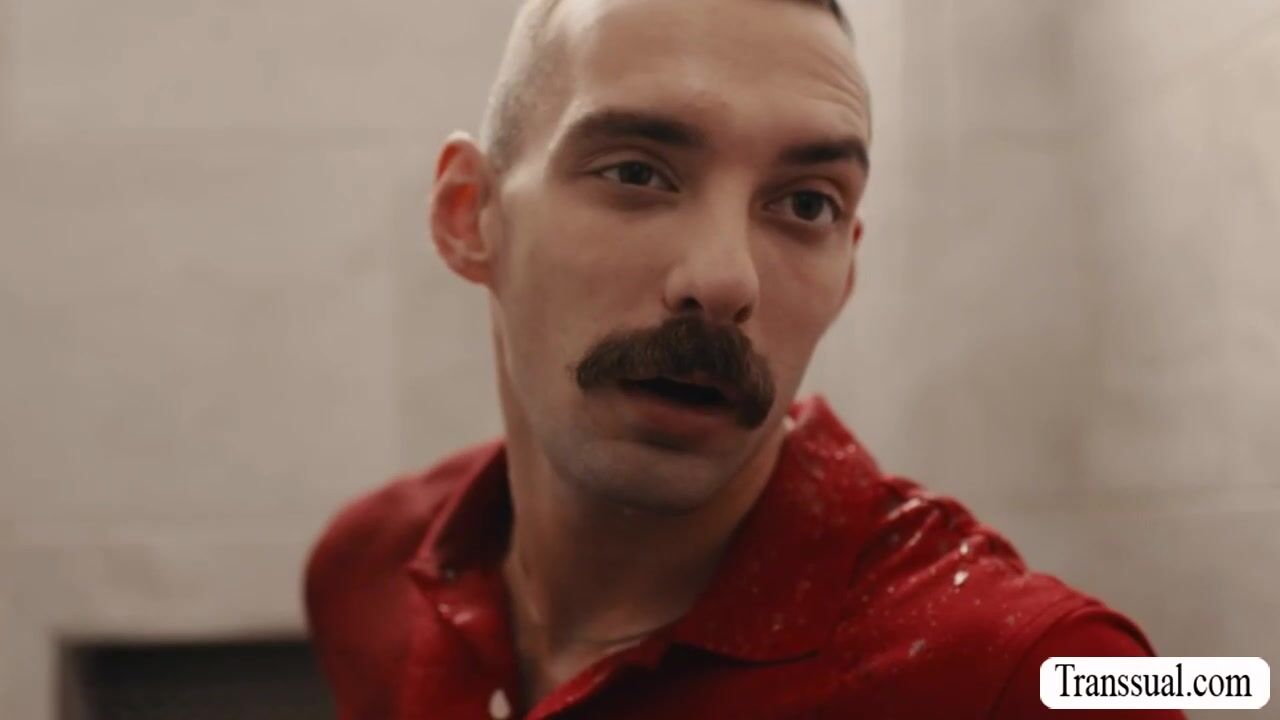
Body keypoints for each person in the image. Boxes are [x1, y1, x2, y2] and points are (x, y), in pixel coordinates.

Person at [304, 0, 1184, 717]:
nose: (726, 280)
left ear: (846, 274)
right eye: (637, 173)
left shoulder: (1038, 677)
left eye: (806, 204)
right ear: (469, 216)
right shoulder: (369, 571)